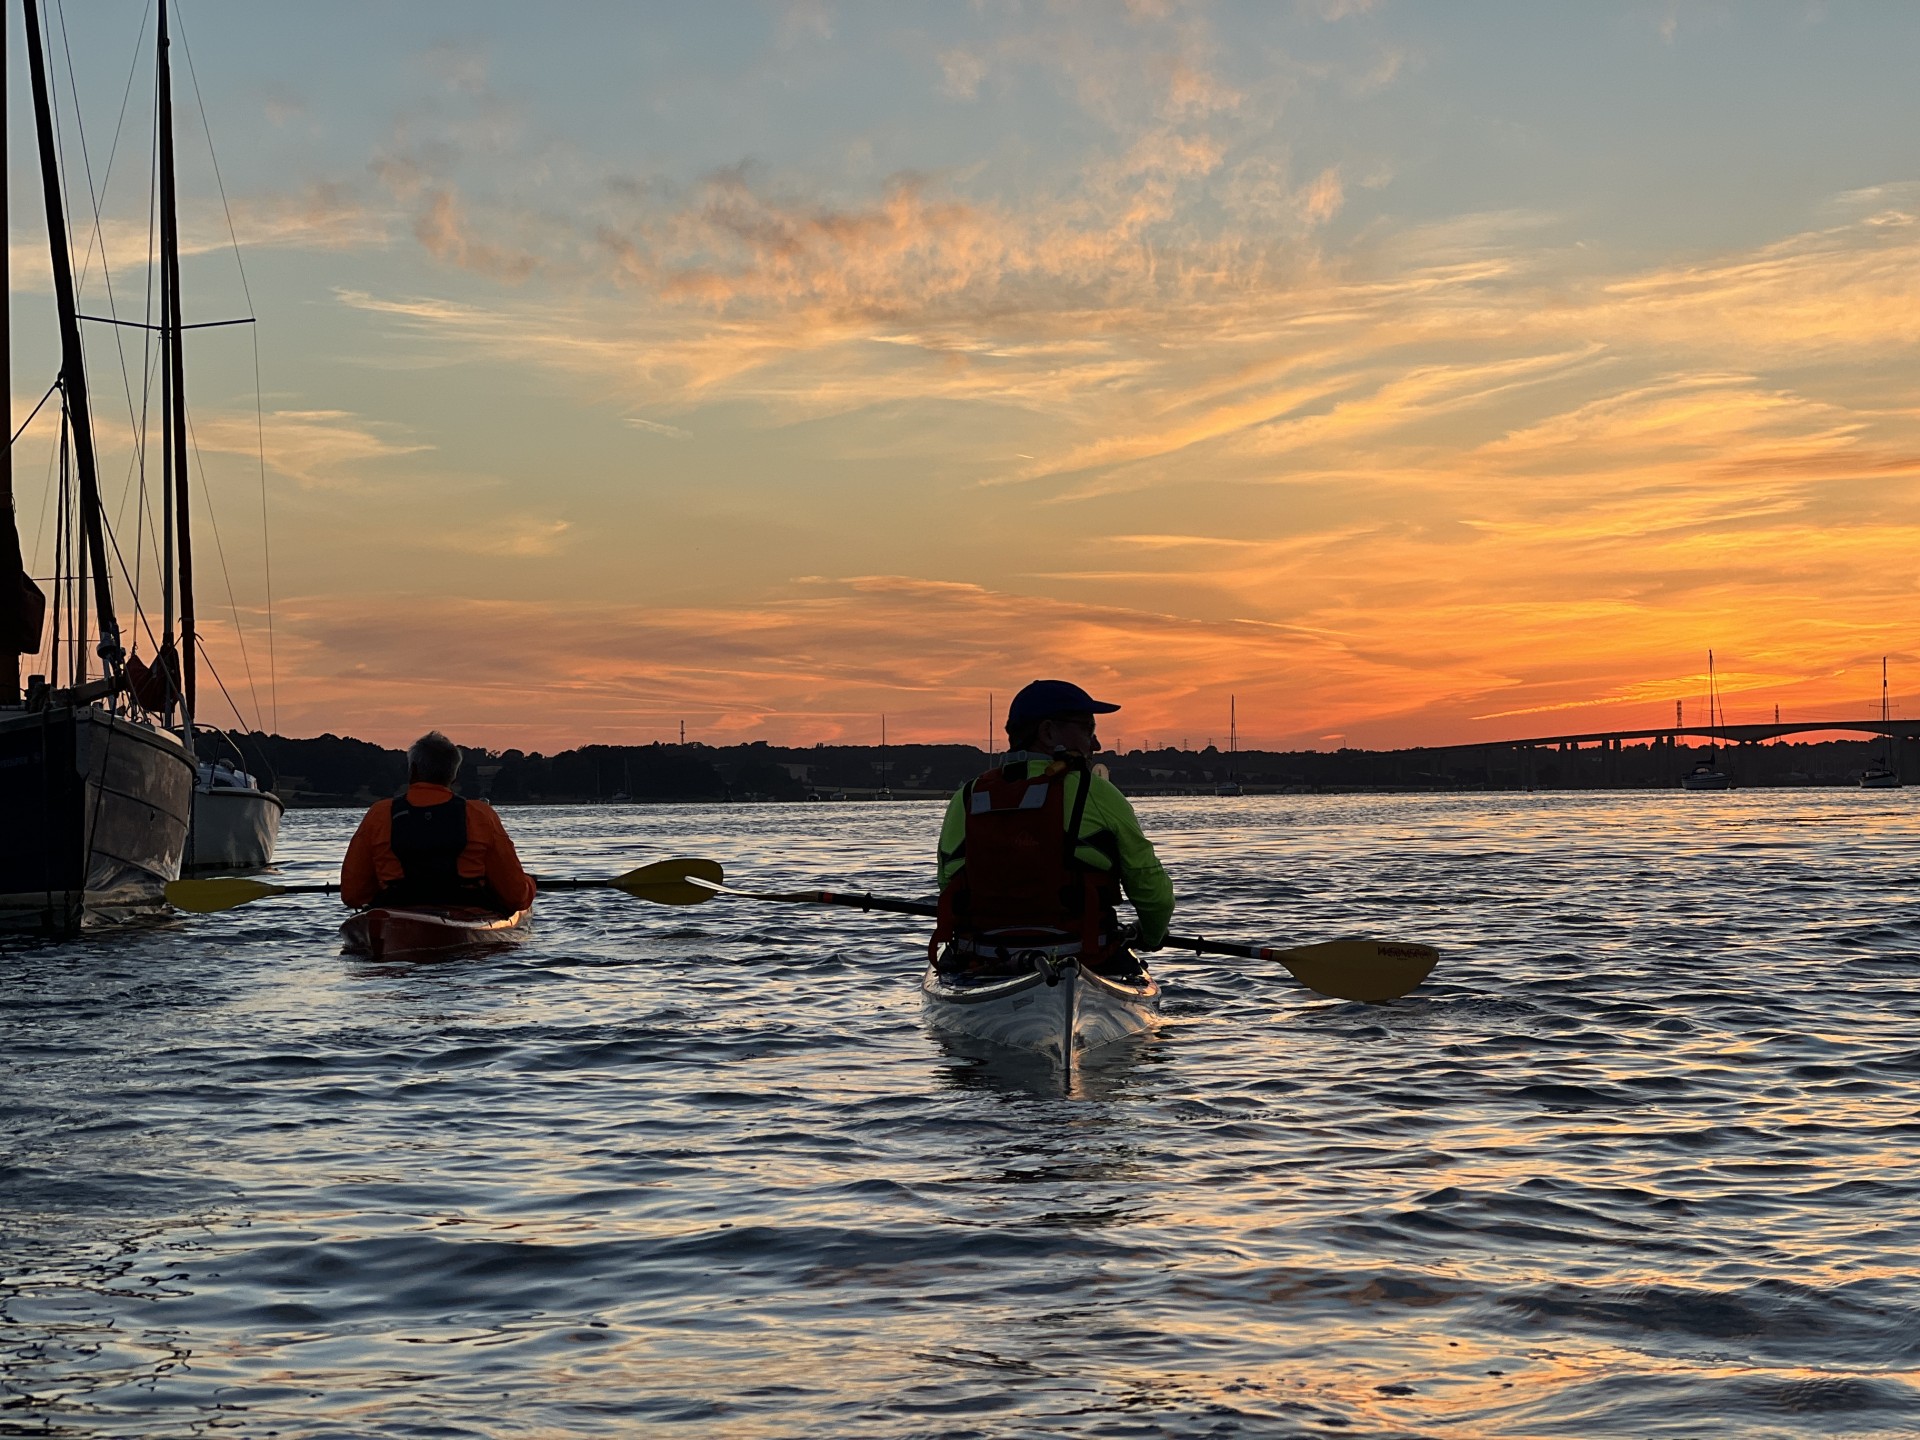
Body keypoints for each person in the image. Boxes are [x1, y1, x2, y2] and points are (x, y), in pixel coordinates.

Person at [932, 679, 1174, 977]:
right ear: (1047, 732)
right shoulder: (1096, 793)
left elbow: (948, 881)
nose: (1095, 744)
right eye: (1087, 729)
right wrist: (1150, 935)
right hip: (1085, 959)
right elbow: (1150, 888)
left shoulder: (968, 796)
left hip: (985, 961)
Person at [341, 731, 536, 914]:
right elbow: (515, 897)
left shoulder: (379, 814)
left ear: (413, 771)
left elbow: (353, 895)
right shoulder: (479, 815)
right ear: (453, 774)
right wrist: (529, 884)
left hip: (397, 912)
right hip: (466, 911)